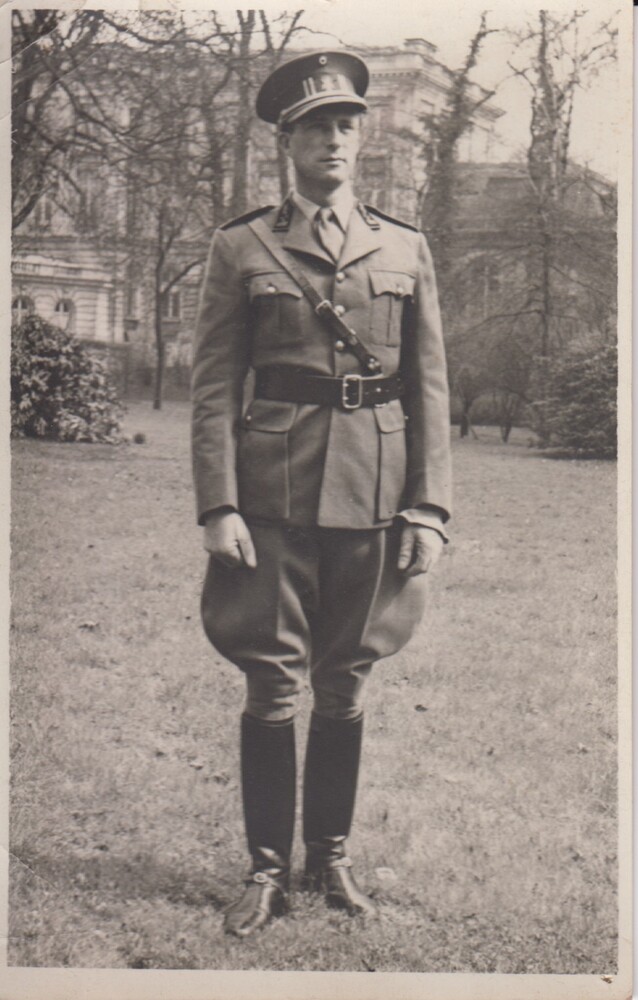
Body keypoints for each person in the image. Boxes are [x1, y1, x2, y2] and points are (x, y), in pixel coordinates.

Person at [191, 50, 452, 938]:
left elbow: (430, 388)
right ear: (287, 142)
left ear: (359, 138)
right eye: (315, 128)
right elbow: (214, 387)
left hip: (375, 494)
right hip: (271, 496)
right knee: (272, 683)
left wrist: (430, 508)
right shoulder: (242, 246)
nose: (333, 140)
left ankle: (330, 860)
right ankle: (266, 871)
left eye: (346, 125)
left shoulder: (405, 247)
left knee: (346, 682)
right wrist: (218, 504)